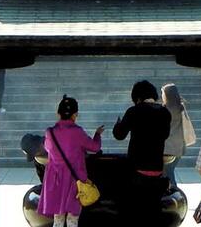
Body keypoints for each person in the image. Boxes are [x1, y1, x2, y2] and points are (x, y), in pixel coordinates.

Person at [42, 96, 105, 227]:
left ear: (58, 114)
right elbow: (95, 147)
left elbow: (48, 148)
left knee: (58, 219)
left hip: (55, 181)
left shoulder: (50, 133)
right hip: (74, 181)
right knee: (72, 219)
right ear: (75, 115)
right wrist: (97, 134)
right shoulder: (77, 132)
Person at [114, 80, 173, 211]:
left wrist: (118, 124)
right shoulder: (165, 113)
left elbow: (119, 135)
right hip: (157, 170)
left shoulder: (133, 111)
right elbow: (165, 135)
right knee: (152, 209)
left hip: (136, 170)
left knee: (135, 209)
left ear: (137, 98)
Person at [161, 83, 197, 187]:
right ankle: (171, 189)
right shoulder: (180, 107)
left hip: (167, 147)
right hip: (179, 146)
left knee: (167, 172)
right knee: (170, 170)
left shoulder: (164, 109)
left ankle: (173, 190)